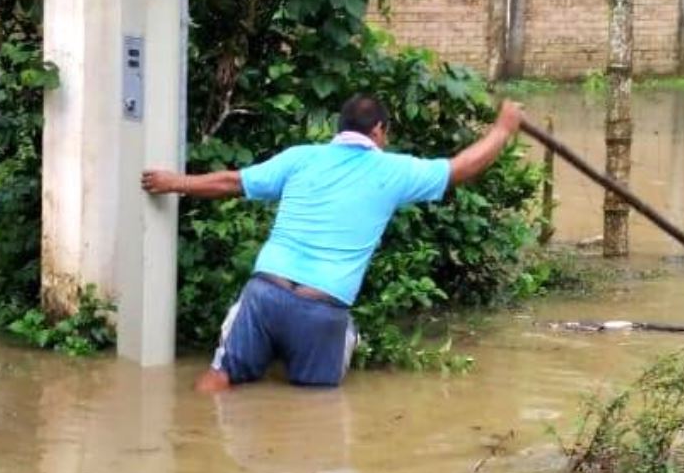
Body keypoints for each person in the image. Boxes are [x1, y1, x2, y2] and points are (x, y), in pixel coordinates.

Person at [142, 94, 523, 392]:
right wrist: (503, 129)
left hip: (265, 294)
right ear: (378, 131)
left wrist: (172, 181)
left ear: (340, 128)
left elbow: (231, 183)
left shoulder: (301, 158)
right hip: (321, 310)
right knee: (317, 411)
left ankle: (185, 437)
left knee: (221, 376)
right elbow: (461, 168)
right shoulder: (394, 170)